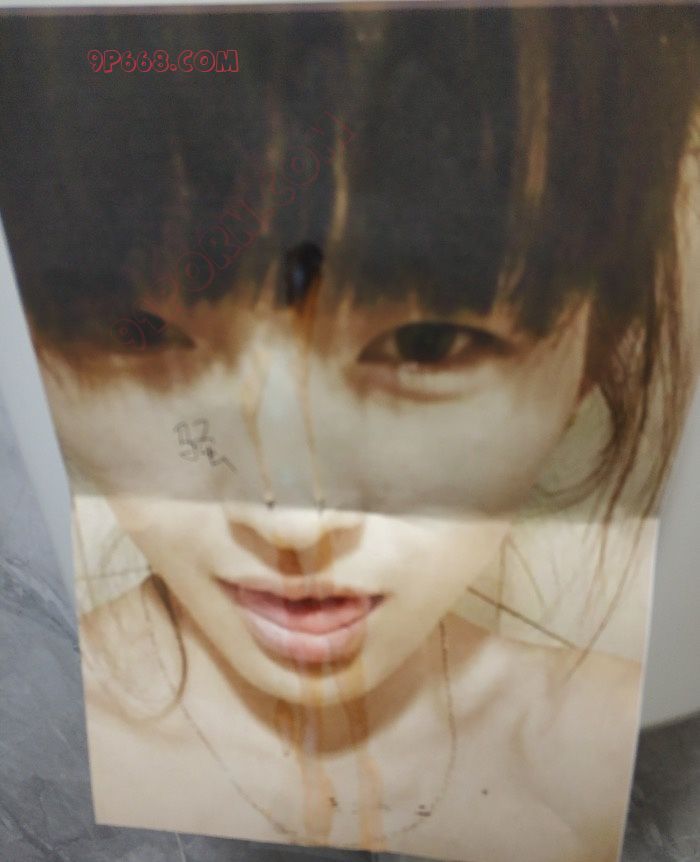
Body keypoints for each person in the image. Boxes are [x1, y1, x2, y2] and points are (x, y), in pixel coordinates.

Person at [1, 6, 699, 861]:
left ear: (598, 350)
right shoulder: (30, 734)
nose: (294, 527)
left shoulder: (628, 763)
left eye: (427, 344)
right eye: (142, 334)